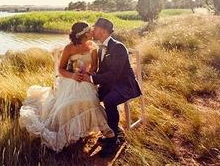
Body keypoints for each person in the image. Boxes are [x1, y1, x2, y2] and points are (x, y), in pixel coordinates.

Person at [19, 22, 115, 152]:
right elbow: (60, 69)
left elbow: (94, 67)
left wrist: (88, 73)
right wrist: (73, 76)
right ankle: (69, 132)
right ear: (83, 34)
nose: (92, 32)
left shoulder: (93, 46)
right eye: (89, 31)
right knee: (66, 105)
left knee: (91, 101)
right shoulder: (69, 48)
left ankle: (107, 133)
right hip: (69, 78)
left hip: (86, 79)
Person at [79, 17, 142, 157]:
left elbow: (114, 74)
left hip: (126, 85)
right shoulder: (101, 47)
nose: (92, 31)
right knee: (91, 96)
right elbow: (103, 71)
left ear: (102, 31)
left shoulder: (118, 47)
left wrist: (91, 78)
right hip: (110, 84)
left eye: (94, 29)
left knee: (109, 101)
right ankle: (110, 130)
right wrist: (88, 74)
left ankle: (113, 140)